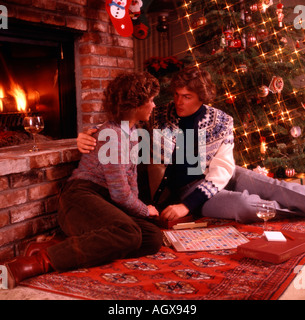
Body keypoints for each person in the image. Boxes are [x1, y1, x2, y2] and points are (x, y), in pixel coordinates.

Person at [77, 66, 305, 224]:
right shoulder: (158, 115)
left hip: (219, 174)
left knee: (276, 186)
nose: (178, 101)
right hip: (188, 188)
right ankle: (295, 215)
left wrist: (188, 207)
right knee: (244, 206)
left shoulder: (223, 121)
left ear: (201, 97)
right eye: (176, 94)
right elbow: (125, 122)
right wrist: (89, 134)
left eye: (186, 96)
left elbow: (222, 171)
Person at [5, 71, 163, 289]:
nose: (154, 105)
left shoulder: (133, 132)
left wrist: (137, 210)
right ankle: (31, 264)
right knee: (128, 233)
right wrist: (145, 210)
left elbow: (130, 180)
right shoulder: (112, 136)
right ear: (136, 104)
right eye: (151, 100)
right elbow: (120, 192)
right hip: (81, 197)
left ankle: (55, 244)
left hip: (106, 200)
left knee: (151, 237)